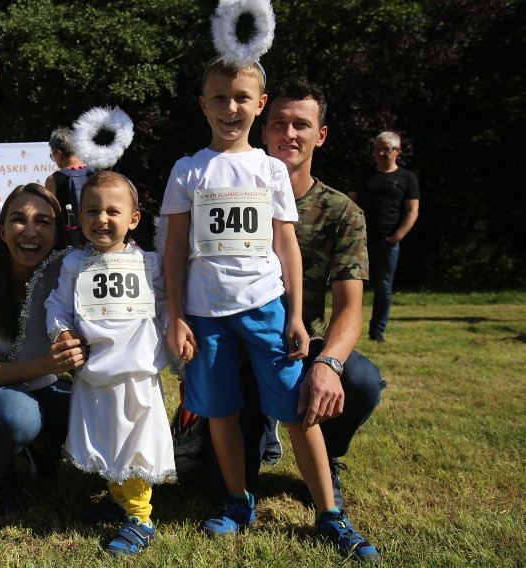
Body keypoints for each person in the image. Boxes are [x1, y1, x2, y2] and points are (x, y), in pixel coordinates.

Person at [161, 60, 379, 561]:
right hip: (206, 317)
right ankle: (238, 501)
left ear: (258, 104)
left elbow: (287, 246)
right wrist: (176, 316)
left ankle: (330, 513)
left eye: (242, 97)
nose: (230, 107)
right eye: (218, 98)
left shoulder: (270, 169)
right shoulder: (187, 169)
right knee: (219, 412)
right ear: (203, 104)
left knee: (299, 410)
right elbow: (174, 249)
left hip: (266, 313)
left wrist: (296, 315)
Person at [206, 80, 385, 511]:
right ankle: (259, 430)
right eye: (279, 124)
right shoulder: (219, 194)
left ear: (320, 135)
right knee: (213, 486)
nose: (289, 134)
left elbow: (350, 310)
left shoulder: (342, 212)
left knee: (357, 380)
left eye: (302, 125)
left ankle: (329, 455)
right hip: (234, 347)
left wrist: (327, 364)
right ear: (262, 129)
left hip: (298, 348)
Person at [45, 171, 179, 556]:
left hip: (135, 374)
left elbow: (168, 302)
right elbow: (56, 305)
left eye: (112, 211)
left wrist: (174, 332)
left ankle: (140, 516)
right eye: (92, 211)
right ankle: (119, 499)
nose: (101, 219)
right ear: (80, 218)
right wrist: (61, 333)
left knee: (133, 444)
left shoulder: (149, 264)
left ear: (133, 219)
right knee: (105, 439)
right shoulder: (73, 264)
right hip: (92, 373)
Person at [0, 183, 86, 516]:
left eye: (43, 221)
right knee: (17, 414)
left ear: (57, 233)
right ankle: (2, 478)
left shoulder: (68, 276)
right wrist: (50, 363)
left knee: (99, 405)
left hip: (43, 388)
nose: (30, 231)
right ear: (3, 230)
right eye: (19, 219)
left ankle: (39, 450)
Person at [348, 131, 420, 342]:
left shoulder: (407, 178)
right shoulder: (363, 175)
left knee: (383, 288)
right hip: (360, 240)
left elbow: (412, 210)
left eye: (386, 149)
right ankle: (350, 330)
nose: (380, 153)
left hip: (387, 241)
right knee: (352, 285)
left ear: (397, 151)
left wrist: (397, 236)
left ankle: (376, 332)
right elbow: (350, 204)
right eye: (377, 148)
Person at [44, 126, 96, 246]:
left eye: (53, 156)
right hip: (97, 237)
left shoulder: (54, 179)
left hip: (70, 243)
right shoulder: (96, 172)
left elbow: (50, 214)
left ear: (58, 153)